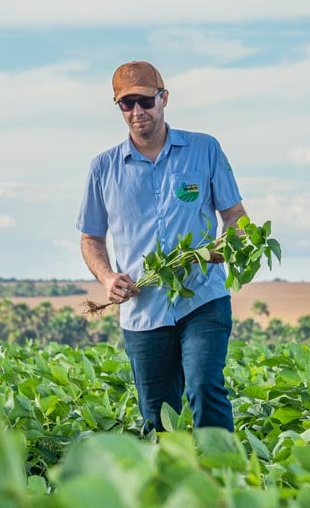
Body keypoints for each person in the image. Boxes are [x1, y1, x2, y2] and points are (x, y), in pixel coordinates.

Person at [77, 61, 248, 433]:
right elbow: (91, 237)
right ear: (119, 107)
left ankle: (224, 479)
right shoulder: (103, 168)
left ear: (164, 98)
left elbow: (234, 214)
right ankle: (172, 484)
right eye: (127, 104)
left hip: (202, 297)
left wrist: (225, 245)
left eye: (145, 101)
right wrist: (106, 278)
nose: (138, 112)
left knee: (205, 388)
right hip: (142, 309)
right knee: (158, 416)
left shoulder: (205, 149)